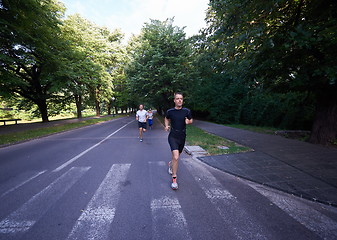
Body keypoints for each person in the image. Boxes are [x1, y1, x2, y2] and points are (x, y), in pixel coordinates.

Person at [164, 92, 193, 190]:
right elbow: (166, 118)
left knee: (176, 157)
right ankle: (174, 180)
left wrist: (188, 122)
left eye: (181, 98)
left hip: (182, 136)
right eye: (177, 98)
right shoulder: (170, 111)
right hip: (173, 136)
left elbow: (191, 120)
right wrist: (166, 125)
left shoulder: (186, 111)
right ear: (174, 100)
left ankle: (171, 164)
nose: (179, 100)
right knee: (176, 157)